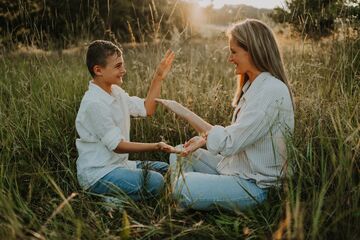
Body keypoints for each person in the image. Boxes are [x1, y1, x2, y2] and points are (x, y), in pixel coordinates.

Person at [157, 19, 295, 211]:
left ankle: (185, 198)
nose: (230, 58)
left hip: (256, 187)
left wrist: (186, 114)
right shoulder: (253, 87)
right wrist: (204, 138)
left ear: (252, 50)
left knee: (182, 184)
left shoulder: (271, 91)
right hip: (236, 170)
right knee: (181, 153)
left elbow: (229, 143)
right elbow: (235, 138)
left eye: (233, 52)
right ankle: (186, 203)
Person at [75, 40, 181, 201]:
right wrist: (156, 146)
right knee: (157, 182)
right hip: (99, 174)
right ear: (98, 70)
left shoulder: (116, 92)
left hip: (120, 165)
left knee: (167, 170)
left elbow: (148, 109)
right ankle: (108, 199)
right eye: (118, 66)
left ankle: (119, 197)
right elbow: (118, 146)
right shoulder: (94, 103)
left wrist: (158, 77)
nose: (123, 70)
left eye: (122, 65)